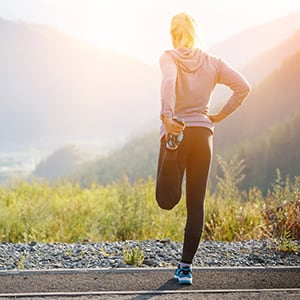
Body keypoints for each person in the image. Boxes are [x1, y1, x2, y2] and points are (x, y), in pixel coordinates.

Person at [155, 12, 250, 285]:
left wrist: (168, 116)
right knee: (196, 204)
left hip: (177, 131)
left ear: (173, 33)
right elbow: (243, 87)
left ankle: (172, 148)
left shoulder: (169, 57)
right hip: (203, 135)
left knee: (166, 200)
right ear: (196, 33)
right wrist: (219, 116)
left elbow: (168, 82)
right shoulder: (214, 63)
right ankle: (185, 268)